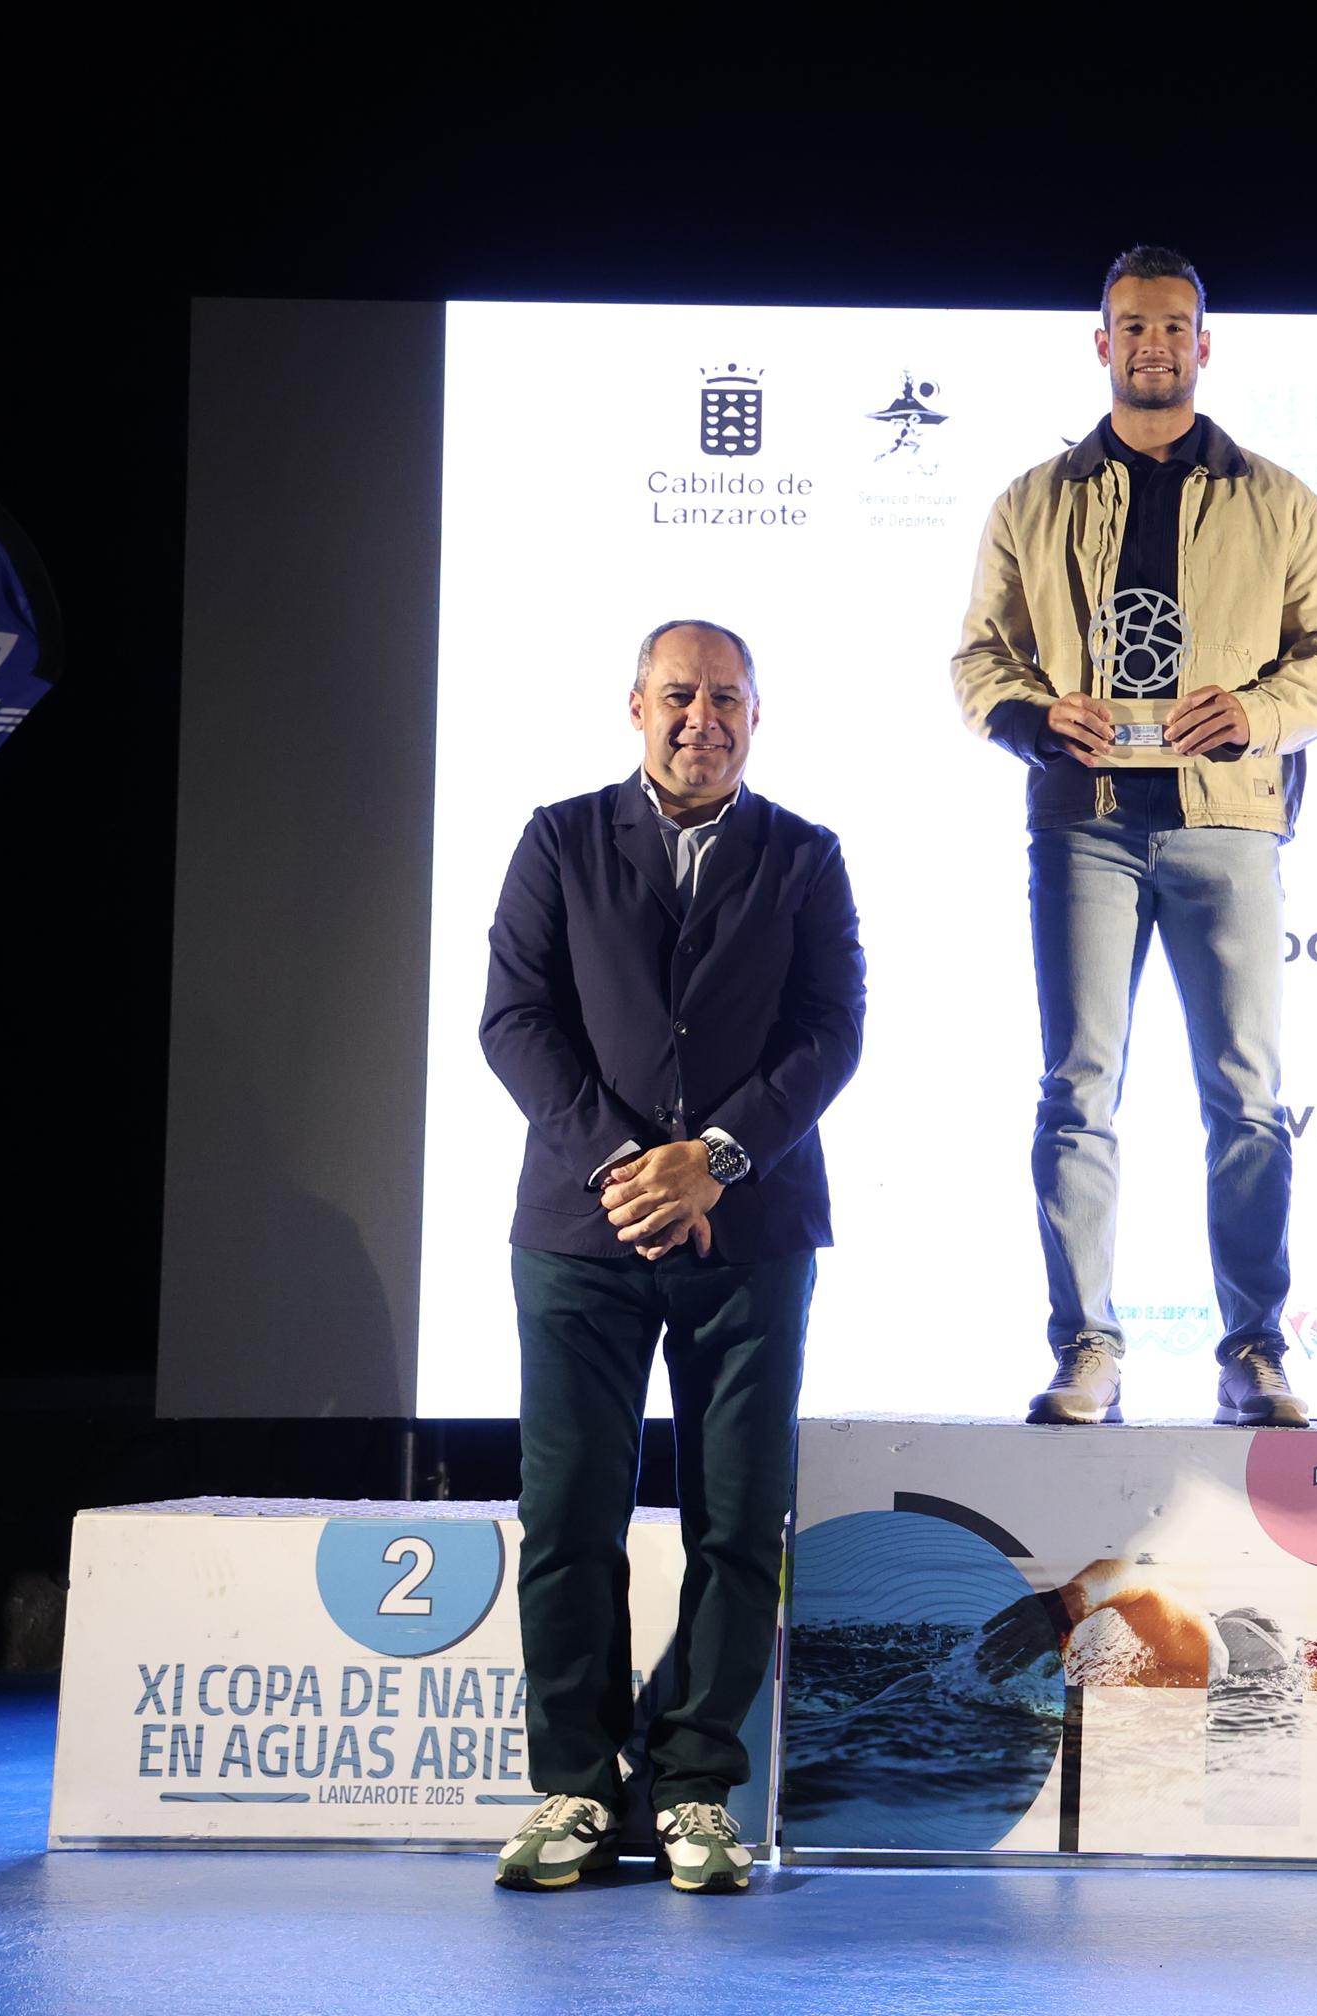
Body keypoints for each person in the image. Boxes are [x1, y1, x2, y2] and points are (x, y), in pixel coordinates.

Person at [479, 618, 864, 1893]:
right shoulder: (558, 838)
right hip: (582, 1236)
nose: (703, 718)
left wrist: (714, 1159)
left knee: (741, 1518)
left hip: (748, 1232)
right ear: (635, 708)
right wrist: (624, 1169)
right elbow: (517, 1020)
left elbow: (830, 1034)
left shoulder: (805, 855)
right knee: (569, 1516)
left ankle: (696, 1787)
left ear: (758, 717)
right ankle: (576, 1791)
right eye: (680, 696)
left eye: (728, 700)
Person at [949, 244, 1317, 1429]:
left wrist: (1258, 714)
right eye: (1131, 325)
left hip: (1226, 822)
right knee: (1076, 1091)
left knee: (1246, 1098)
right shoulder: (1035, 498)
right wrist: (1032, 715)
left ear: (1204, 343)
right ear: (1101, 343)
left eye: (1174, 325)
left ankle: (1253, 1346)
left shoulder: (1275, 499)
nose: (1153, 343)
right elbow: (980, 654)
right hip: (1083, 826)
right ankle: (1088, 1345)